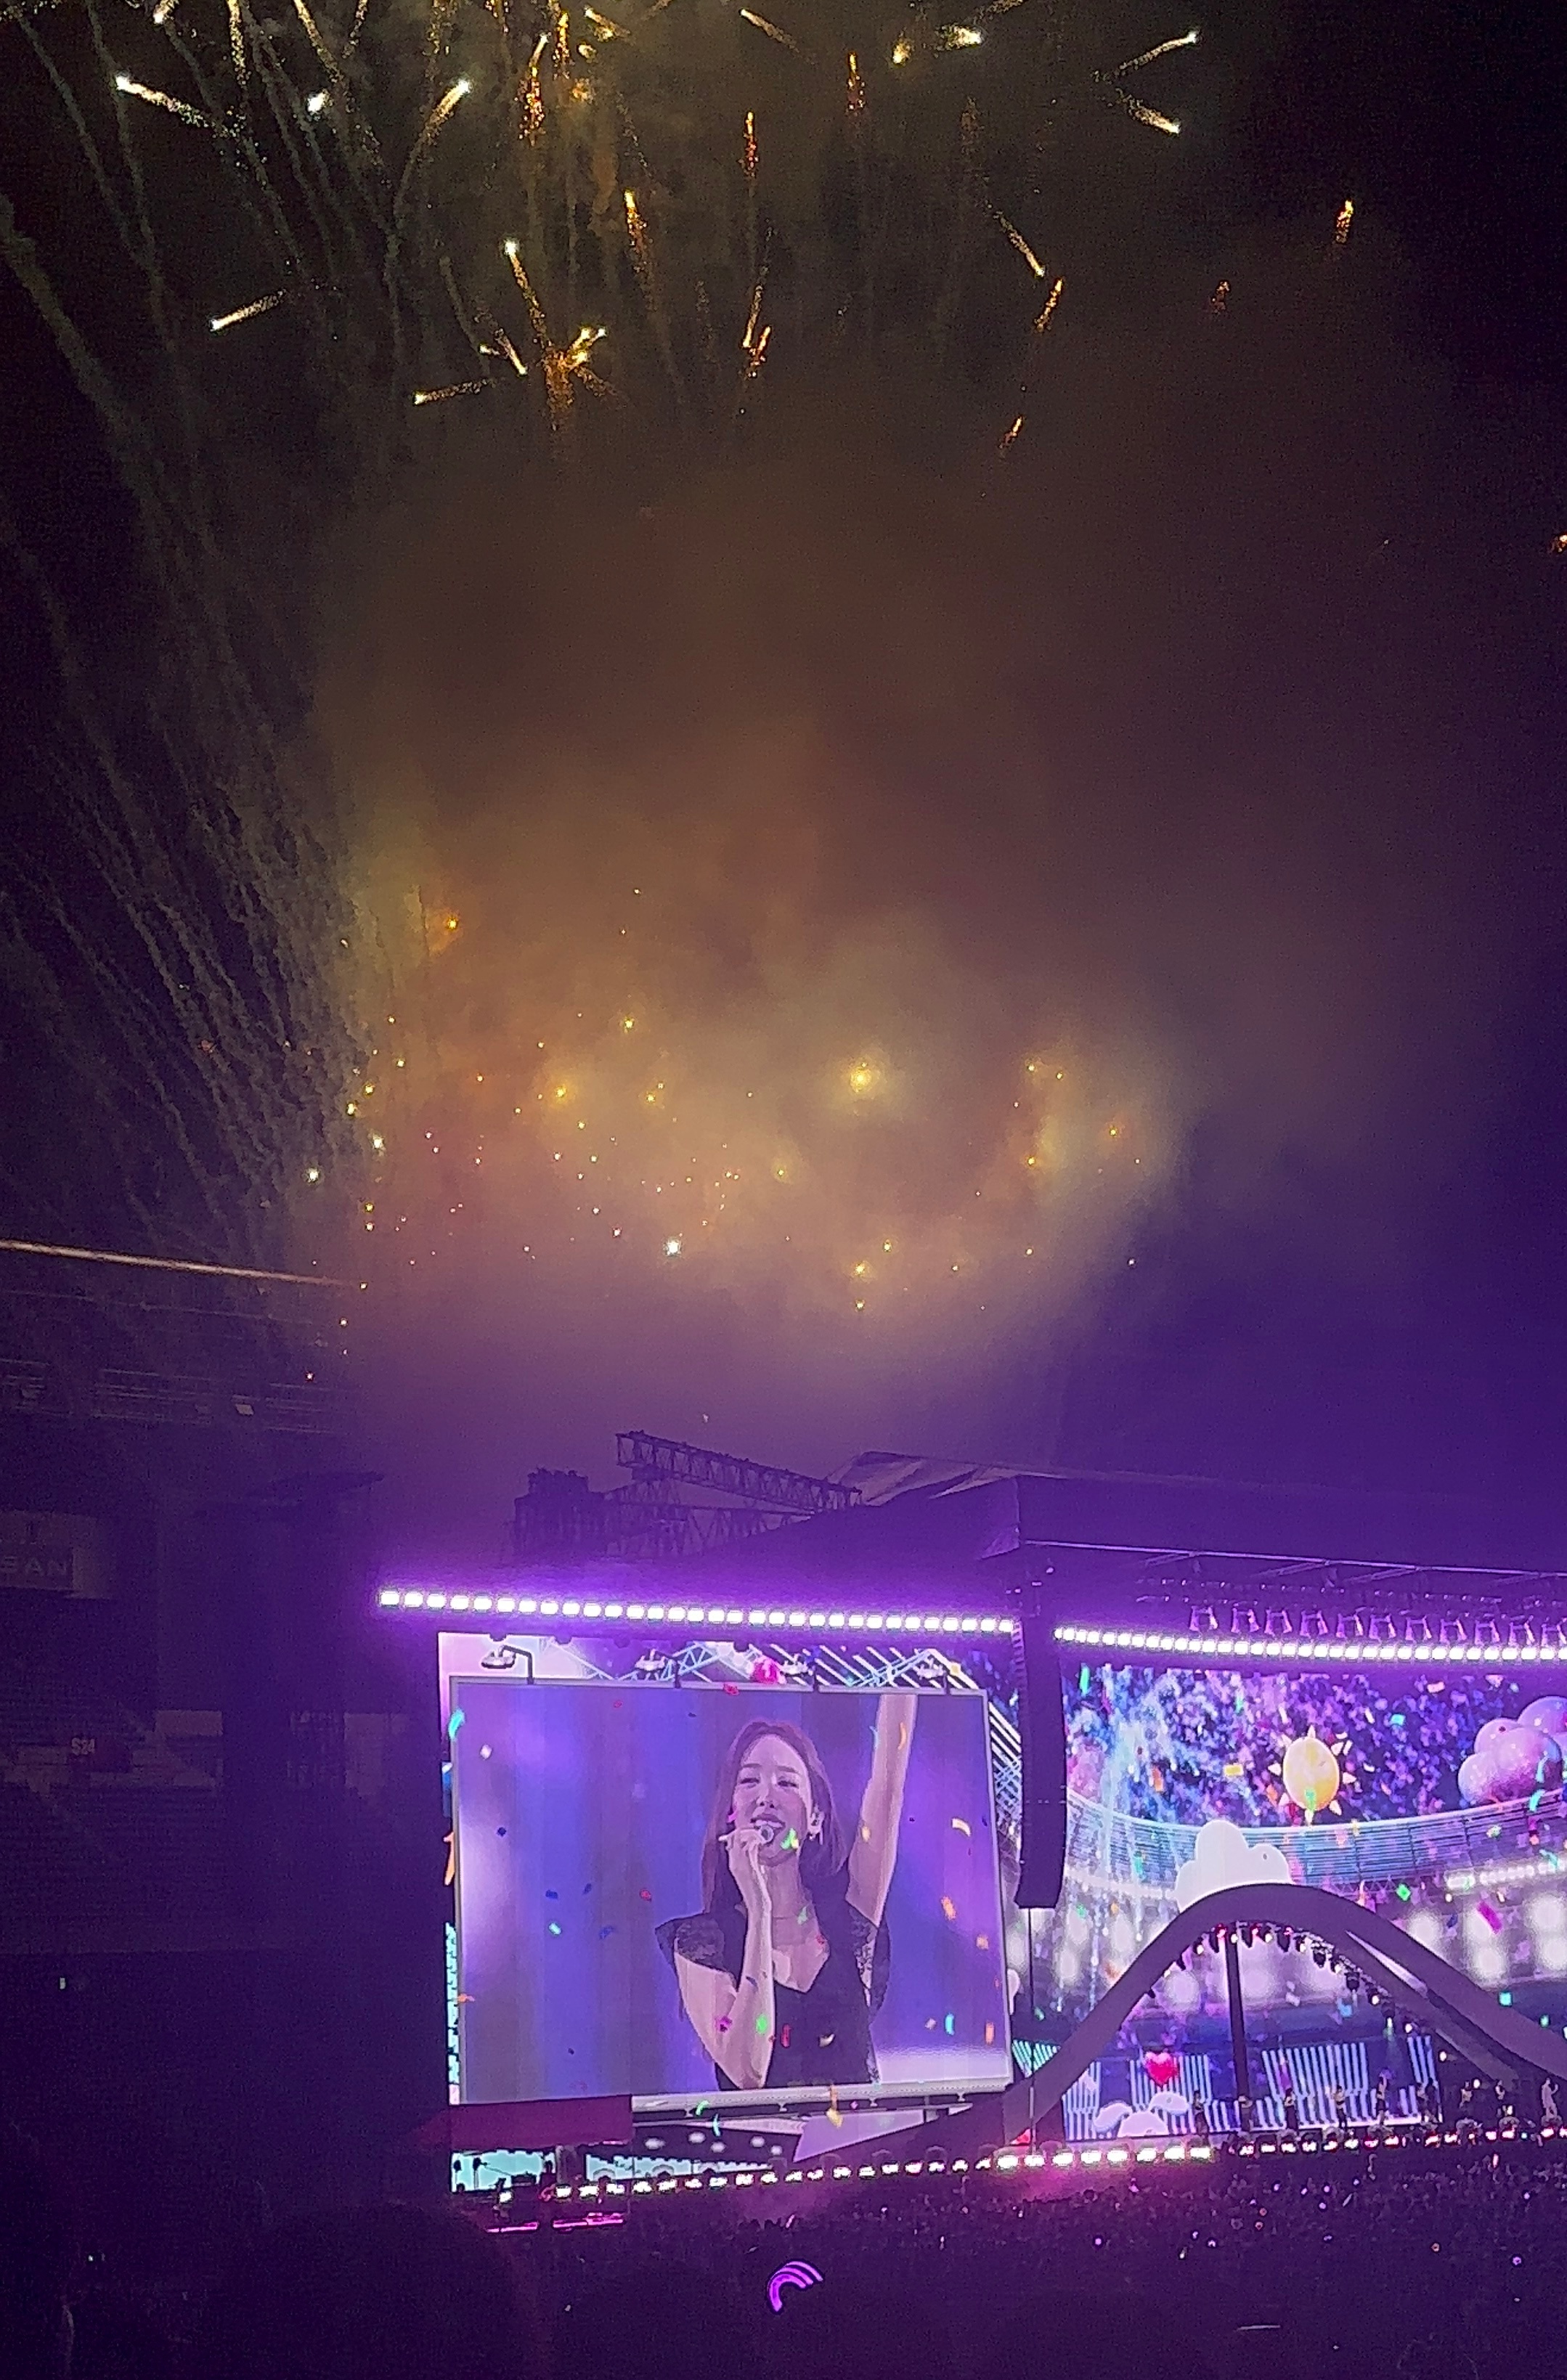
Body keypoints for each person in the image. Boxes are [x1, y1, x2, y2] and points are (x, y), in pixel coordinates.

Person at [658, 1692, 916, 2091]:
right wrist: (759, 1910)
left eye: (786, 1783)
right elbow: (748, 2072)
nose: (766, 1797)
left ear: (815, 1819)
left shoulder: (848, 1912)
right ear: (731, 1813)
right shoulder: (701, 1942)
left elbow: (888, 1787)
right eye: (749, 1781)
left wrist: (903, 1679)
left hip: (860, 2130)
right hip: (761, 2134)